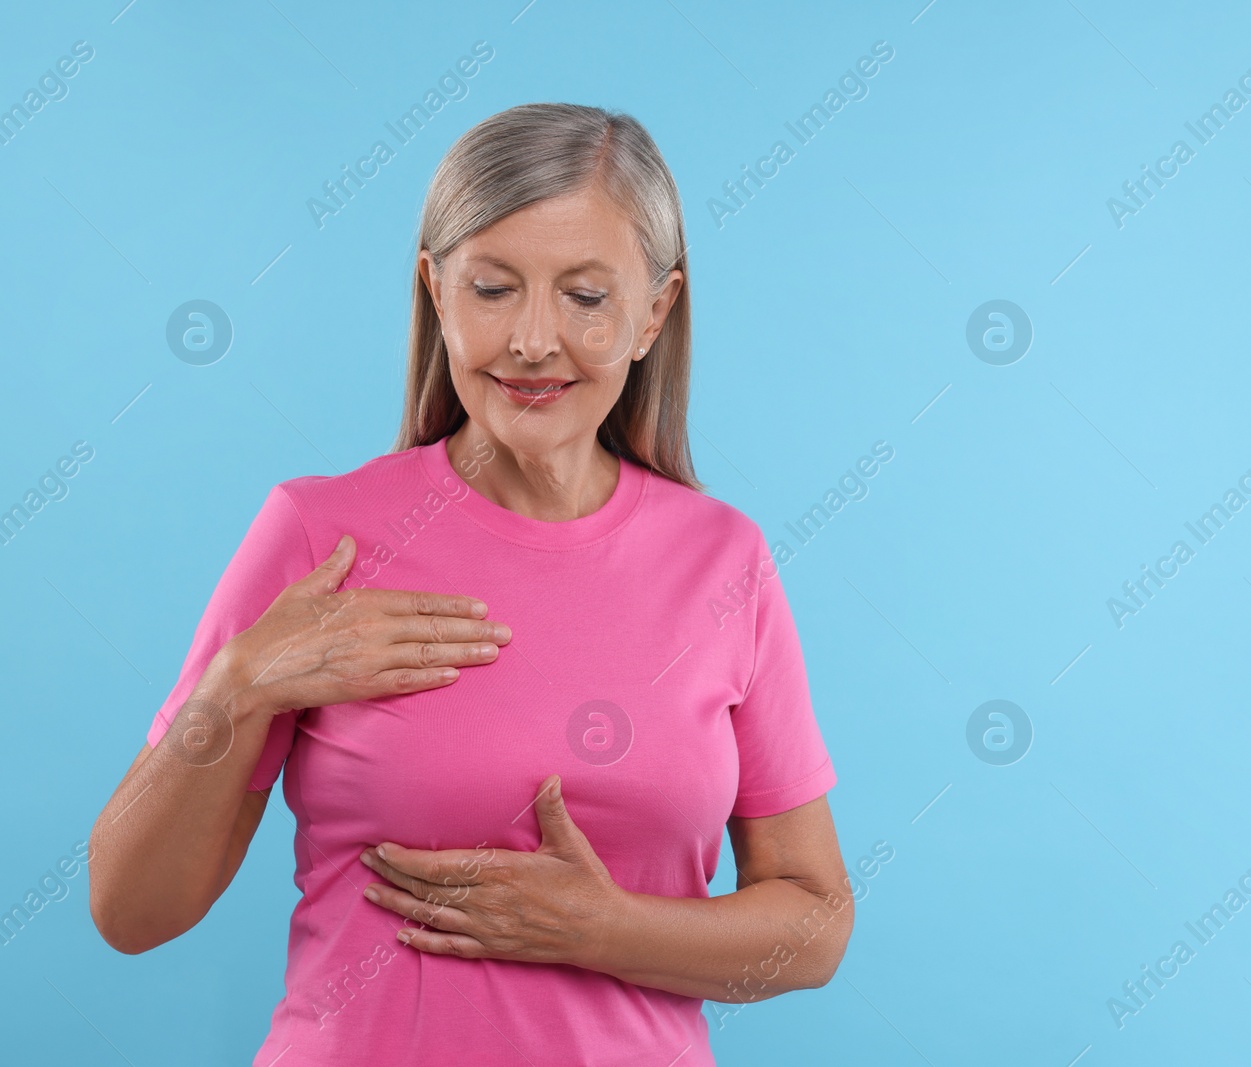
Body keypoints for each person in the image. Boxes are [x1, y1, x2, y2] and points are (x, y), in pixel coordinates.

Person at [87, 102, 852, 1065]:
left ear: (653, 313)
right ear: (436, 292)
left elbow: (814, 922)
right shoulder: (321, 535)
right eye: (493, 288)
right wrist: (238, 683)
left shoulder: (722, 560)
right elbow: (129, 909)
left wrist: (603, 929)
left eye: (585, 297)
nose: (534, 340)